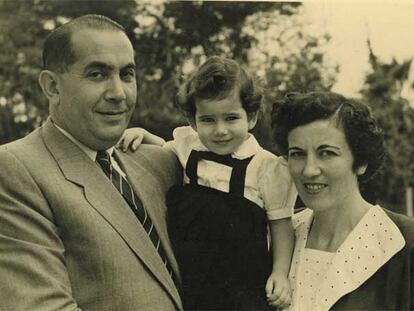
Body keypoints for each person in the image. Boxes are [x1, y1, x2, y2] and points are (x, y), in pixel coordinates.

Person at [0, 15, 182, 310]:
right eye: (97, 74)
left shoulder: (159, 162)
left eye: (126, 74)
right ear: (52, 87)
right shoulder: (15, 170)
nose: (118, 94)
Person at [120, 56, 297, 310]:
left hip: (242, 278)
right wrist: (143, 134)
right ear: (193, 121)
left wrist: (280, 274)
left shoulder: (266, 166)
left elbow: (280, 224)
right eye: (208, 120)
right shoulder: (188, 146)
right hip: (195, 271)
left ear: (251, 118)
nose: (220, 130)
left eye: (231, 118)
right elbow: (164, 150)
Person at [271, 91, 414, 310]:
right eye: (297, 154)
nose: (309, 170)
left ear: (361, 162)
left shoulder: (404, 242)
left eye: (326, 153)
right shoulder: (280, 238)